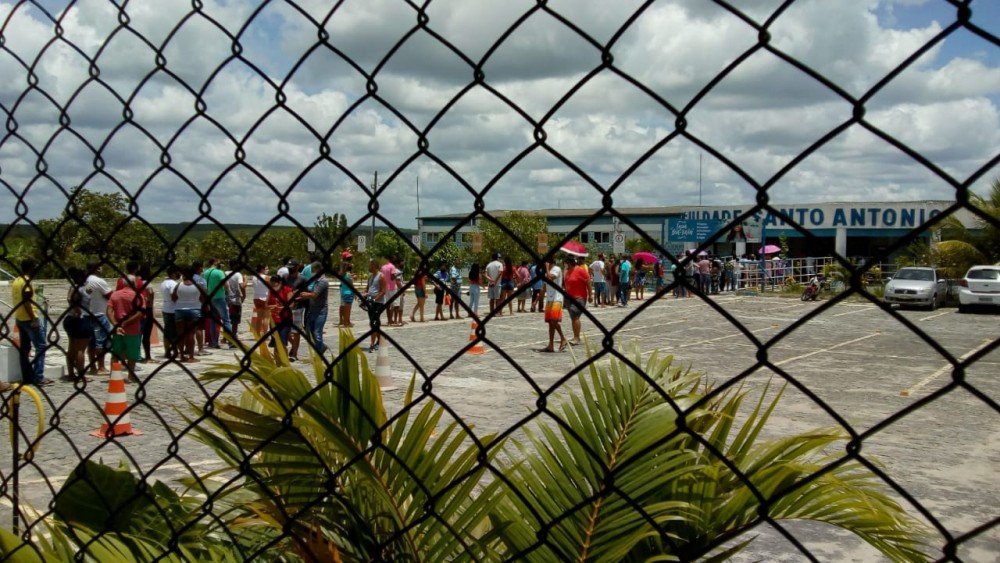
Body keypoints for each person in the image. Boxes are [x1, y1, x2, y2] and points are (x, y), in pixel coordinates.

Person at [12, 258, 52, 386]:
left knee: (25, 349)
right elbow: (27, 301)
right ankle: (38, 376)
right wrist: (34, 318)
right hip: (29, 319)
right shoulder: (26, 281)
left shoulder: (16, 281)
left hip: (19, 318)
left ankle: (27, 376)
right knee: (40, 346)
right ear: (31, 268)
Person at [108, 275, 144, 381]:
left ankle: (114, 375)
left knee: (116, 353)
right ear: (134, 283)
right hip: (132, 329)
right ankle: (131, 375)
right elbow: (140, 313)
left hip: (118, 329)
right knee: (132, 354)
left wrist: (115, 324)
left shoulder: (115, 295)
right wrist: (126, 323)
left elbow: (109, 311)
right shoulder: (138, 296)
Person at [63, 266, 92, 383]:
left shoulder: (73, 286)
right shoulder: (80, 288)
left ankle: (70, 373)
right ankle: (81, 375)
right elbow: (73, 299)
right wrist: (77, 310)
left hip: (70, 319)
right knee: (81, 350)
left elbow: (69, 298)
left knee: (71, 347)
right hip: (81, 319)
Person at [84, 260, 114, 374]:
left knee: (91, 342)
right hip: (100, 314)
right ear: (96, 269)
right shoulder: (99, 281)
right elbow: (110, 295)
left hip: (87, 314)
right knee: (101, 341)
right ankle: (101, 367)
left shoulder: (84, 280)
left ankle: (92, 367)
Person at [172, 266, 204, 363]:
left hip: (179, 310)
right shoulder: (198, 285)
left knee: (181, 334)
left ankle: (181, 356)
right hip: (194, 310)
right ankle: (191, 356)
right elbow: (203, 298)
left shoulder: (178, 285)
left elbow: (173, 297)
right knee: (191, 333)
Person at [536, 260, 567, 353]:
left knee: (554, 320)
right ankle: (551, 345)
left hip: (557, 298)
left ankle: (563, 338)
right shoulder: (547, 272)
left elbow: (551, 278)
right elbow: (544, 287)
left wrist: (546, 268)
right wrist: (536, 301)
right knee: (550, 322)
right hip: (549, 299)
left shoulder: (556, 269)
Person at [300, 262, 330, 357]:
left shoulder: (323, 281)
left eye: (313, 270)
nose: (312, 273)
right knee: (308, 331)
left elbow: (314, 295)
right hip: (313, 310)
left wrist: (304, 294)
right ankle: (321, 347)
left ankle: (319, 353)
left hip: (320, 311)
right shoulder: (316, 281)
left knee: (317, 332)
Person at [563, 256, 592, 346]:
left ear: (570, 263)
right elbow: (566, 284)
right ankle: (575, 336)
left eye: (566, 263)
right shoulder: (567, 272)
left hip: (579, 298)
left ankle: (577, 338)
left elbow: (588, 282)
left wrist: (590, 295)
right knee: (573, 317)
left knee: (575, 316)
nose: (565, 265)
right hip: (569, 298)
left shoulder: (580, 270)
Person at [203, 257, 231, 348]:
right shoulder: (219, 272)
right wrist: (229, 292)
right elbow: (226, 284)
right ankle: (231, 341)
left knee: (213, 320)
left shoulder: (205, 272)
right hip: (219, 297)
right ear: (215, 262)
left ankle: (214, 342)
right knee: (226, 319)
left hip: (210, 298)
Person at [365, 260, 387, 352]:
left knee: (373, 322)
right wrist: (365, 294)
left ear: (374, 266)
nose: (369, 267)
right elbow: (368, 289)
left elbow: (383, 291)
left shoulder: (381, 276)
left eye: (370, 266)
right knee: (374, 322)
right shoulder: (370, 277)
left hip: (378, 303)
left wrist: (375, 299)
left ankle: (372, 344)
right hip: (370, 302)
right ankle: (380, 340)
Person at [267, 275, 293, 352]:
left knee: (282, 341)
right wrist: (272, 306)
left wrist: (281, 308)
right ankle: (277, 361)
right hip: (274, 320)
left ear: (280, 283)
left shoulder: (287, 290)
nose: (272, 286)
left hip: (285, 319)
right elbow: (266, 305)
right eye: (271, 284)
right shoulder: (271, 291)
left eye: (274, 284)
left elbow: (291, 305)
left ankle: (284, 359)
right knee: (276, 342)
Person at [160, 265, 180, 359]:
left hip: (165, 308)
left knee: (167, 331)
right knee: (175, 332)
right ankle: (175, 350)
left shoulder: (163, 283)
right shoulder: (173, 283)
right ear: (173, 273)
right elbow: (174, 297)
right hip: (173, 309)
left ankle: (167, 351)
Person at [138, 264, 155, 362]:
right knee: (146, 334)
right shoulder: (148, 284)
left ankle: (138, 354)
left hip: (140, 310)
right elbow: (150, 296)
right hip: (148, 309)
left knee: (139, 334)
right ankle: (147, 356)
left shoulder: (138, 283)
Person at [225, 265, 246, 340]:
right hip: (235, 300)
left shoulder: (225, 273)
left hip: (227, 299)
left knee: (227, 319)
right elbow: (242, 286)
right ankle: (234, 336)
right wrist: (245, 279)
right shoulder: (237, 274)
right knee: (235, 320)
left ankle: (226, 337)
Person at [251, 264, 270, 336]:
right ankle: (265, 334)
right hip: (264, 297)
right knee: (266, 317)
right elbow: (270, 288)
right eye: (265, 269)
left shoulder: (254, 277)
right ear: (262, 269)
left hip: (256, 297)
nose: (266, 270)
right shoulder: (266, 277)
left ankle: (258, 333)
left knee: (259, 317)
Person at [339, 262, 357, 328]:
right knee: (348, 310)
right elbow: (351, 285)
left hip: (343, 292)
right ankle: (346, 323)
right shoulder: (348, 274)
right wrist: (355, 293)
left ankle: (346, 322)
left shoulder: (341, 274)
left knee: (345, 309)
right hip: (349, 293)